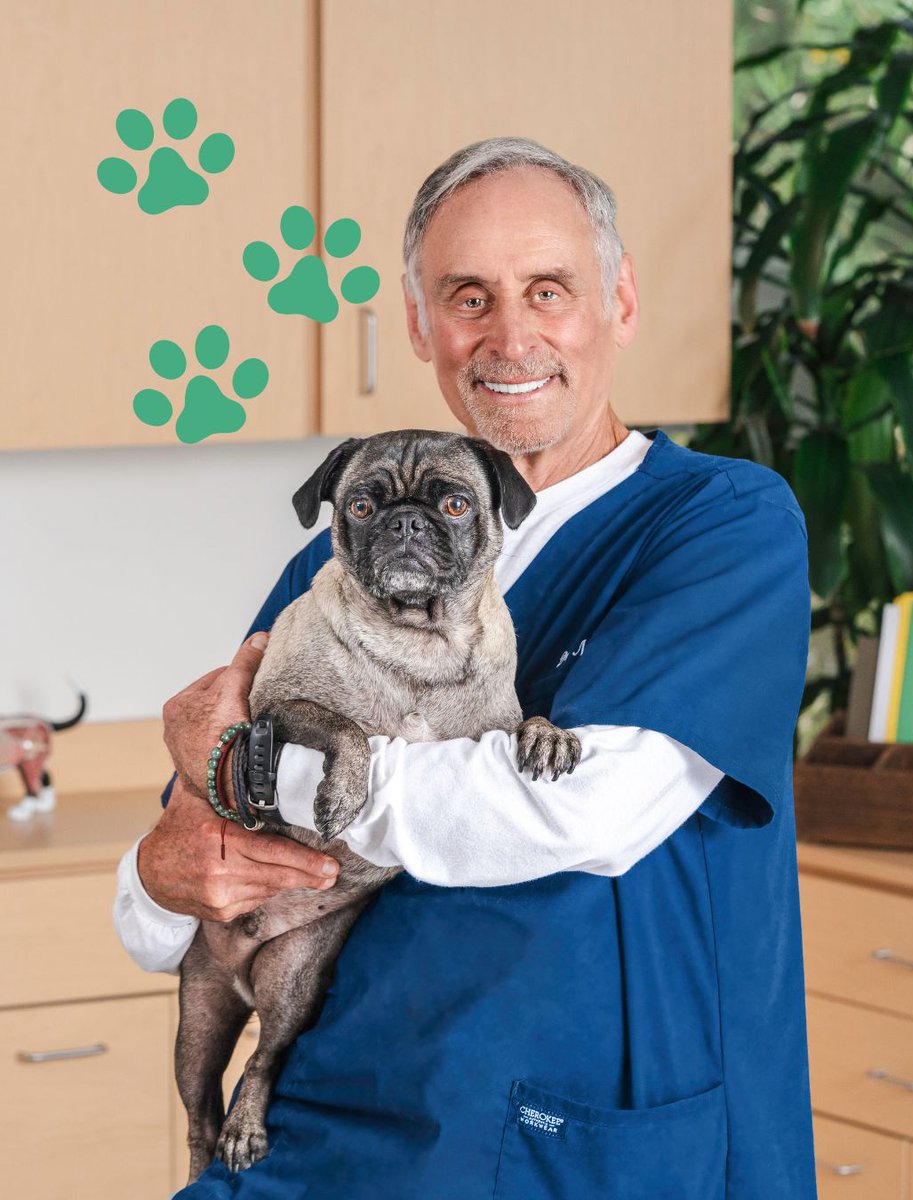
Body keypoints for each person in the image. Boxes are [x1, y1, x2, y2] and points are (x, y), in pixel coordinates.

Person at [114, 137, 817, 1198]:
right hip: (323, 1122)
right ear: (418, 325)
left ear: (619, 299)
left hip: (567, 1142)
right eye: (468, 296)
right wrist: (159, 877)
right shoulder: (336, 561)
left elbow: (580, 810)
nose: (511, 335)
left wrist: (258, 776)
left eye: (549, 289)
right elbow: (177, 878)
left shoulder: (721, 524)